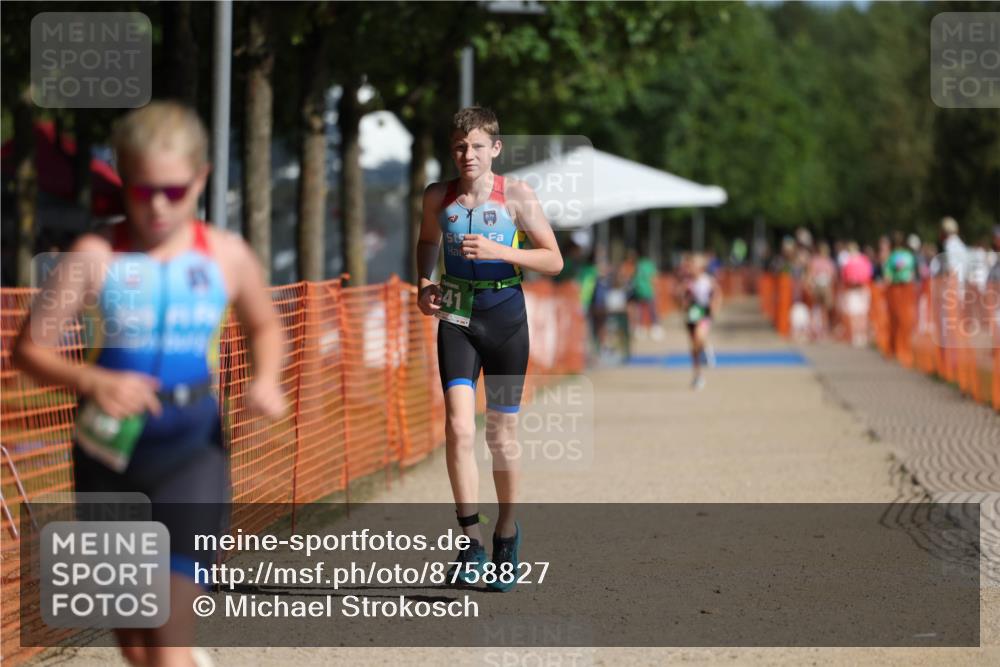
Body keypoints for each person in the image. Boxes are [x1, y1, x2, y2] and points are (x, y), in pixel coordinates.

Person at [13, 101, 286, 667]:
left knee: (163, 639)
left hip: (193, 452)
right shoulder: (94, 256)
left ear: (201, 180)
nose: (158, 206)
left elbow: (265, 326)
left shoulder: (226, 255)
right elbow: (28, 350)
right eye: (141, 191)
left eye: (174, 190)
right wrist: (89, 378)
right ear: (124, 180)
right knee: (135, 643)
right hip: (108, 453)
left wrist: (266, 379)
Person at [415, 107, 562, 591]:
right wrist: (423, 284)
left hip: (505, 317)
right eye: (459, 146)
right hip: (456, 315)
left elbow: (553, 259)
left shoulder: (516, 195)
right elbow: (427, 242)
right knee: (458, 428)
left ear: (495, 149)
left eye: (477, 146)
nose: (468, 155)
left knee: (500, 436)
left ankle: (506, 532)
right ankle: (470, 541)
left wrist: (502, 251)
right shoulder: (438, 196)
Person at [678, 253, 721, 390]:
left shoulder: (707, 280)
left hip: (703, 314)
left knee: (699, 335)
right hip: (691, 315)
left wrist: (714, 308)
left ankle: (707, 350)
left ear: (701, 268)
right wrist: (683, 298)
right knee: (694, 348)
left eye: (693, 266)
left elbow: (718, 295)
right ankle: (698, 376)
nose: (691, 269)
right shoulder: (687, 282)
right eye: (690, 267)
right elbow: (681, 299)